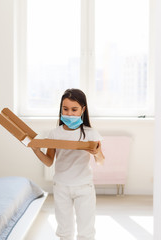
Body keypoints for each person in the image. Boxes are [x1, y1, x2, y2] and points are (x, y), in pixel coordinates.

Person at [31, 88, 105, 240]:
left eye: (74, 109)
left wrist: (96, 152)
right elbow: (49, 161)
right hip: (61, 187)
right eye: (65, 109)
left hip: (84, 187)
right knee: (64, 231)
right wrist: (36, 150)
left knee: (86, 230)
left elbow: (101, 161)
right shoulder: (54, 133)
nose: (69, 114)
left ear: (83, 109)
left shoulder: (91, 133)